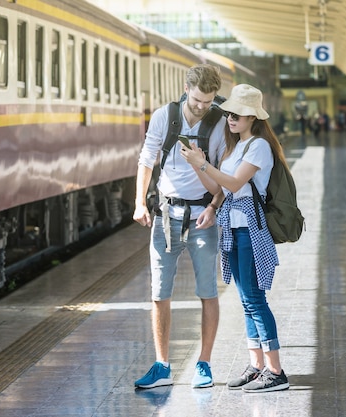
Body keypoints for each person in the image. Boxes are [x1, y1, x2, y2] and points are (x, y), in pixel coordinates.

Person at [180, 83, 290, 392]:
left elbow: (234, 181)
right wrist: (202, 175)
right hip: (233, 226)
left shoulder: (258, 146)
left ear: (253, 118)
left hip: (251, 229)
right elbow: (222, 190)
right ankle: (256, 366)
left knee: (255, 299)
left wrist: (204, 164)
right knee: (245, 301)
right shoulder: (235, 147)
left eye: (238, 115)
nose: (231, 119)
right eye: (229, 113)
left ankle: (276, 371)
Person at [133, 64, 226, 389]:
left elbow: (222, 178)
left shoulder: (218, 122)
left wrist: (214, 206)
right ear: (187, 88)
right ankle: (162, 366)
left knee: (207, 292)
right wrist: (139, 202)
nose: (202, 107)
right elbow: (147, 158)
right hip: (166, 215)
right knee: (159, 293)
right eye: (198, 99)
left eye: (208, 100)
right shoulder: (165, 116)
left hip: (203, 216)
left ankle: (204, 363)